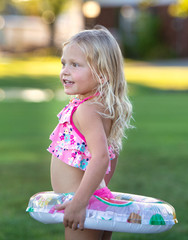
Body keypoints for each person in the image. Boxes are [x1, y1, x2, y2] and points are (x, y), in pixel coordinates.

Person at [47, 25, 133, 240]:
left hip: (83, 203)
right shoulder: (99, 106)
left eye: (75, 65)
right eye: (64, 63)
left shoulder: (86, 110)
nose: (65, 71)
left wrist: (80, 201)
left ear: (102, 75)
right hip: (93, 198)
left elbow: (102, 157)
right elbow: (111, 154)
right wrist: (101, 193)